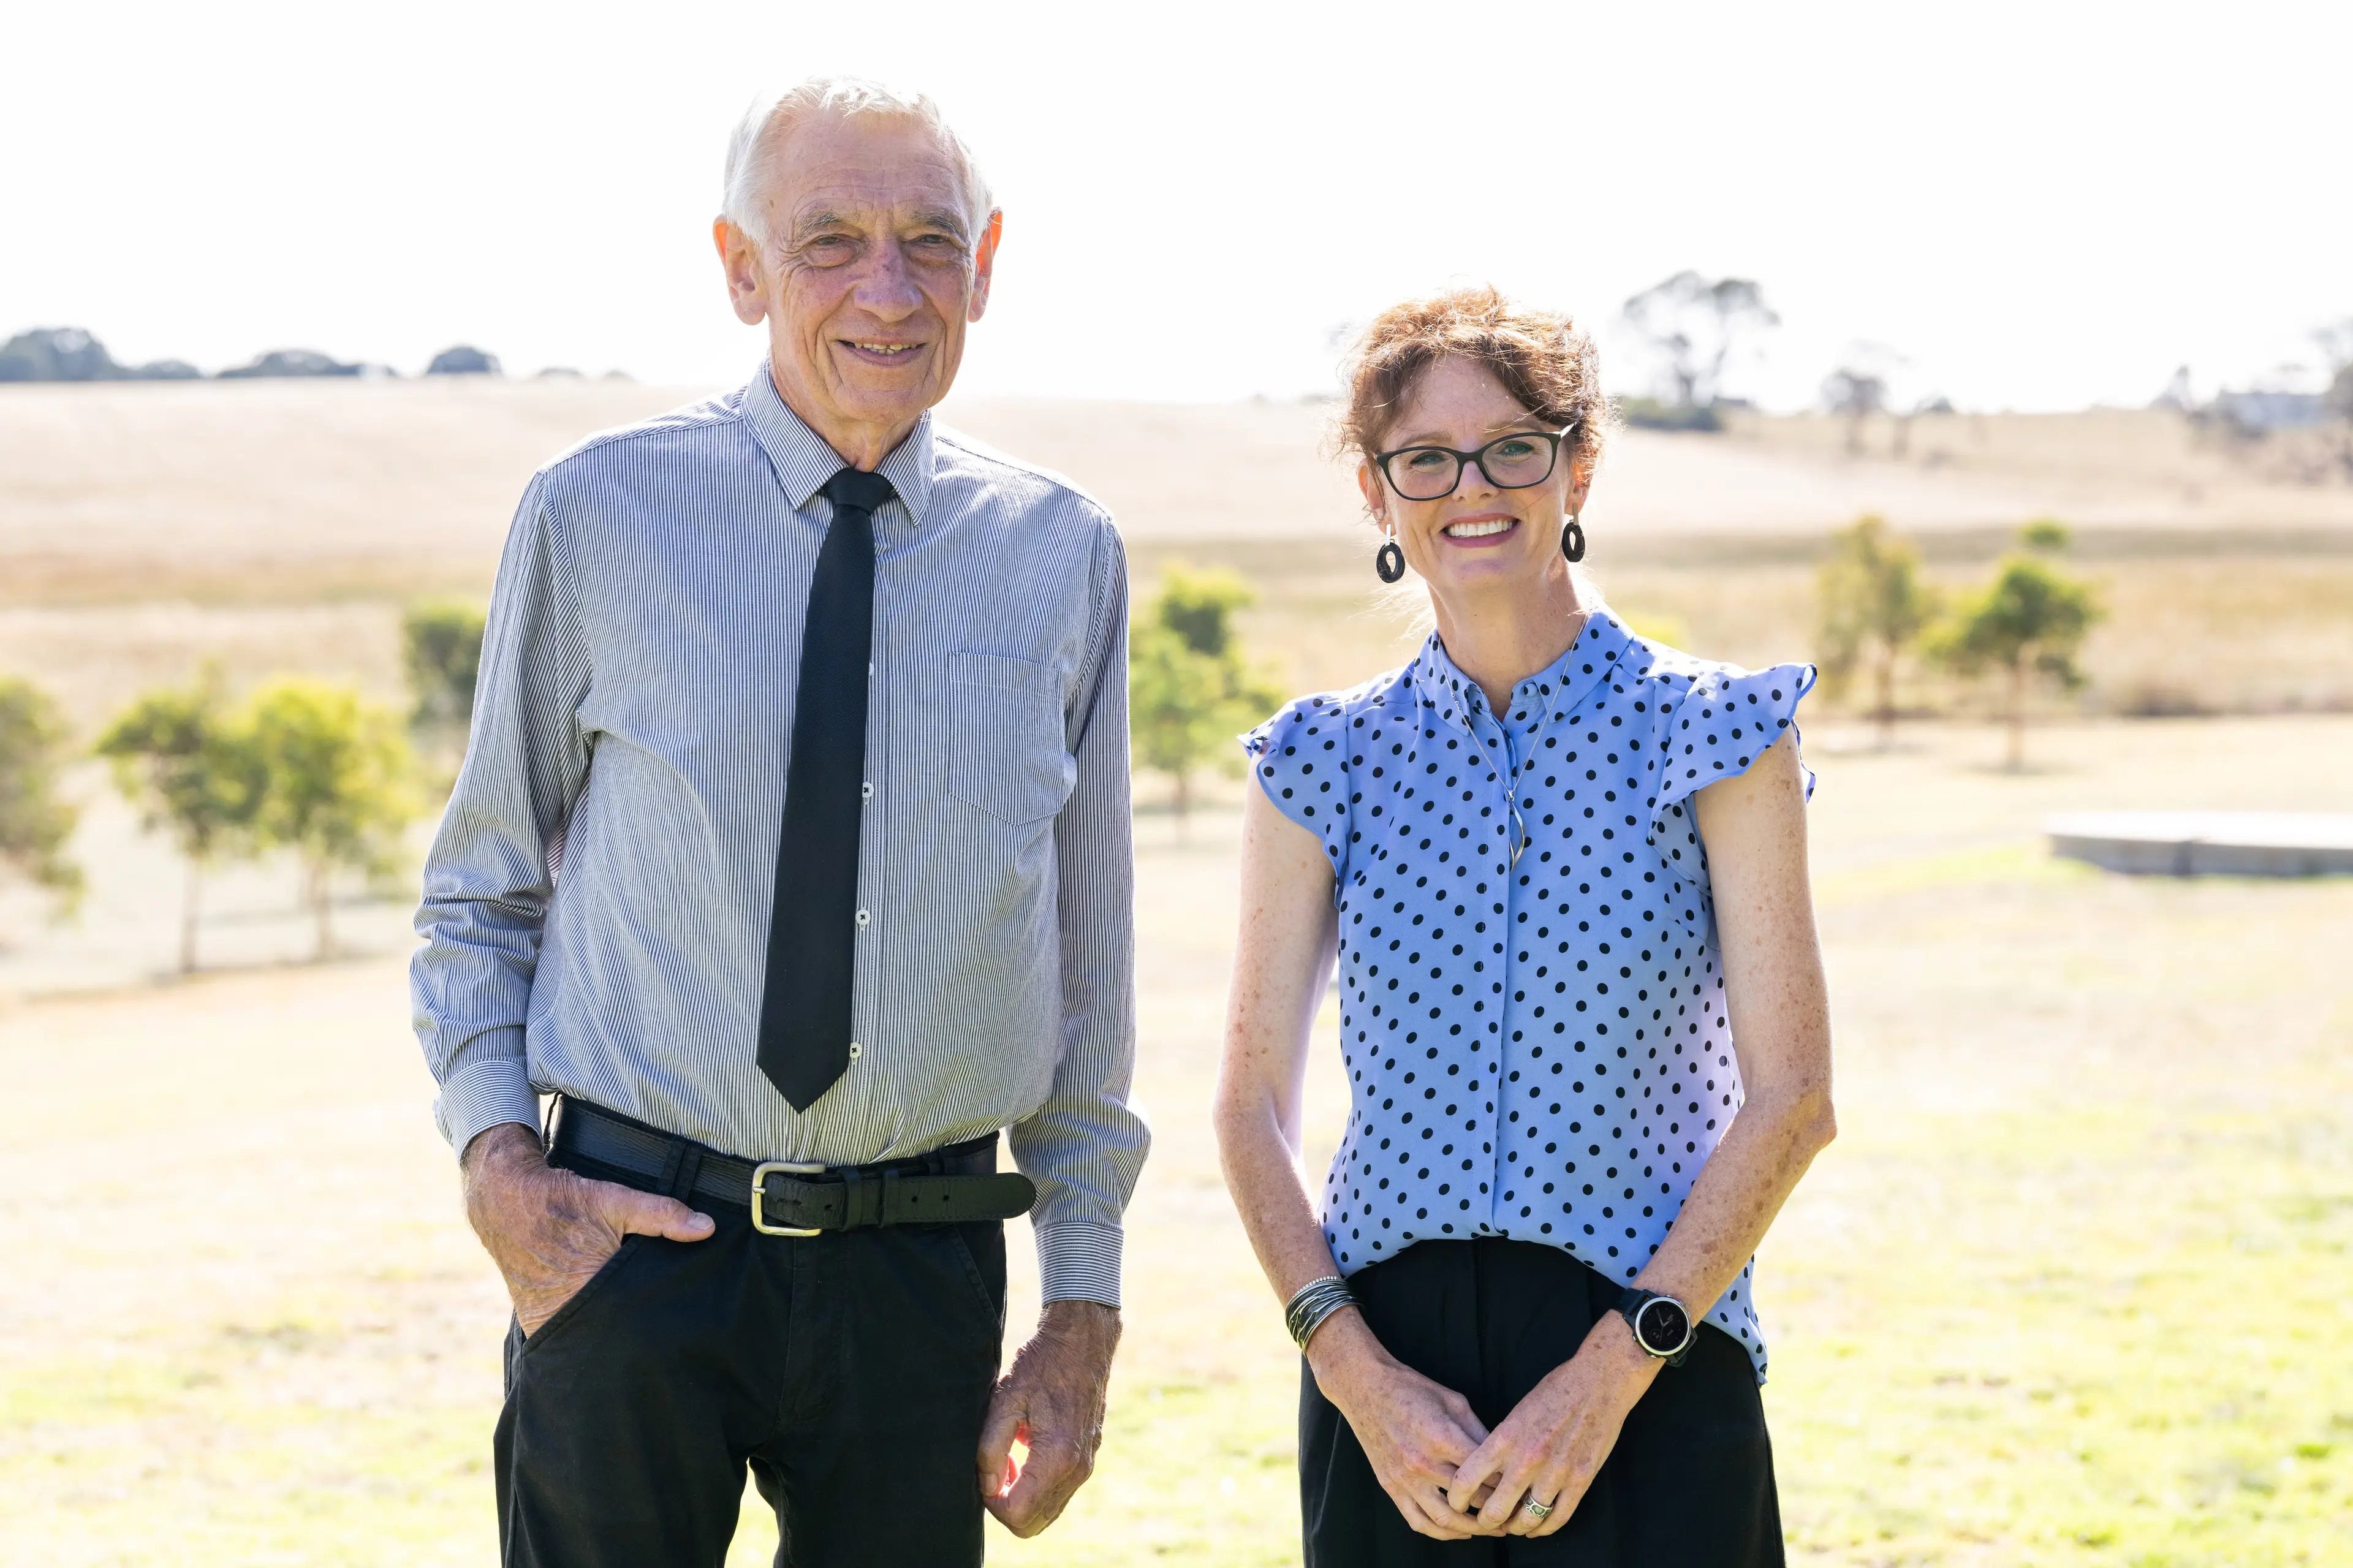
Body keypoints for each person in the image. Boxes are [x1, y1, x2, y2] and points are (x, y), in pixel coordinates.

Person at [411, 77, 1148, 1568]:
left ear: (987, 261)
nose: (889, 288)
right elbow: (480, 894)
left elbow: (1090, 961)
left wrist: (1080, 1305)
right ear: (742, 267)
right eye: (831, 241)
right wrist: (501, 1171)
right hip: (624, 1254)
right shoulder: (597, 517)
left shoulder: (1064, 555)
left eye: (931, 241)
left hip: (925, 1274)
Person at [1214, 286, 1836, 1565]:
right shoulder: (1320, 760)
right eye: (1424, 458)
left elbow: (1793, 1102)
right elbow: (1246, 1107)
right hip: (1392, 1395)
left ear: (1578, 467)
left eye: (1512, 446)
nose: (1470, 486)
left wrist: (1608, 1377)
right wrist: (1352, 1374)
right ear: (1379, 496)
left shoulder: (1718, 734)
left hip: (1654, 1363)